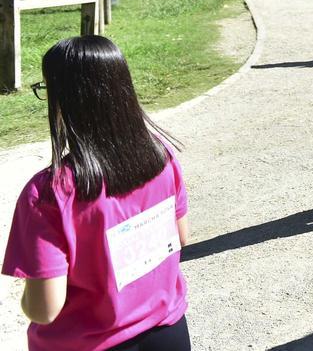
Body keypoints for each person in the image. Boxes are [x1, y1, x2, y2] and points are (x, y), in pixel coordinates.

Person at [2, 36, 191, 350]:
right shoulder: (162, 158)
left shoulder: (49, 194)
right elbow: (181, 238)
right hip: (167, 331)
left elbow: (44, 309)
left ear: (64, 100)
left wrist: (29, 292)